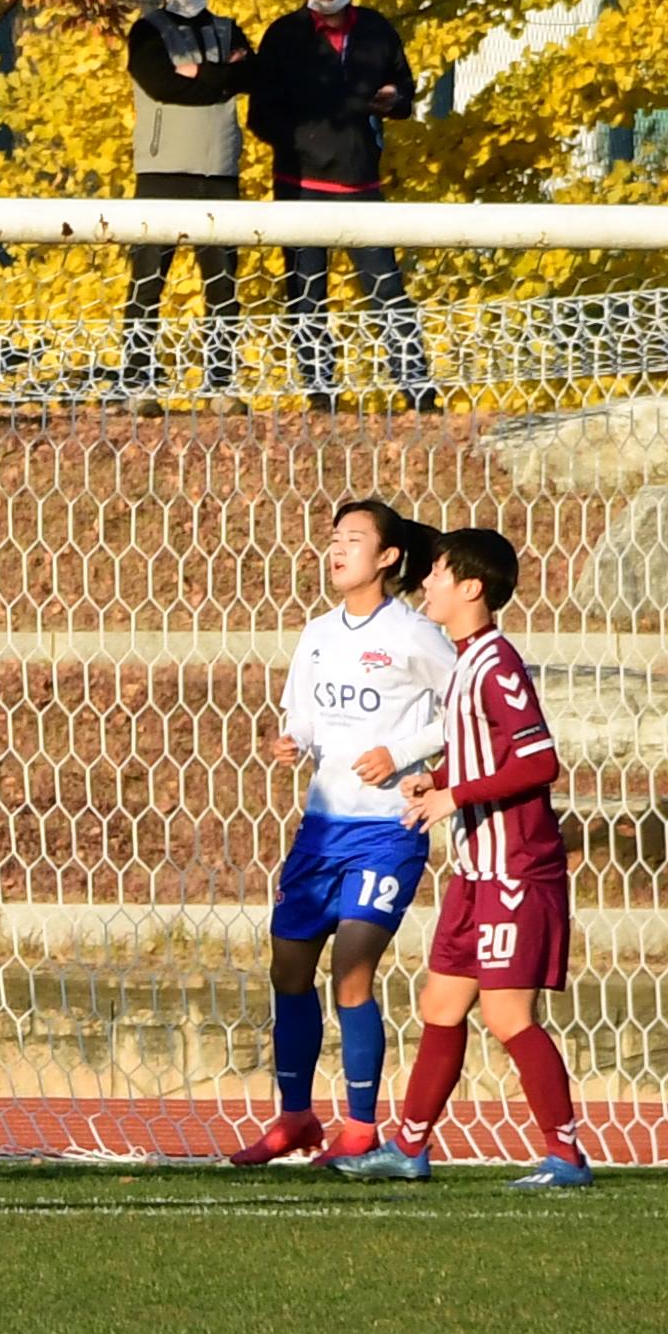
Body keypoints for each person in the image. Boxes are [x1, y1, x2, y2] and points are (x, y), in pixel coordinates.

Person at [337, 525, 591, 1187]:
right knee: (441, 1007)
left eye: (440, 574)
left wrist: (455, 798)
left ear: (471, 587)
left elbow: (539, 760)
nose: (428, 583)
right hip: (476, 871)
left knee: (508, 1017)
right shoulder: (467, 661)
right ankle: (409, 1149)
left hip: (515, 868)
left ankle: (565, 1156)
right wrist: (441, 780)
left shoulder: (496, 663)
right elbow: (488, 754)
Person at [250, 499, 447, 1164]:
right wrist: (292, 740)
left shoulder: (417, 634)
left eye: (354, 540)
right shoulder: (318, 634)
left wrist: (403, 752)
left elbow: (467, 710)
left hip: (386, 831)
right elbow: (304, 716)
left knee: (352, 971)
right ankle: (296, 1118)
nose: (337, 550)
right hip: (321, 829)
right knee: (289, 967)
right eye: (334, 538)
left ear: (388, 557)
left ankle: (361, 1126)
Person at [240, 0, 431, 409]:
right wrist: (303, 144)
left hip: (362, 184)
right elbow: (260, 116)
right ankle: (320, 396)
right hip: (300, 187)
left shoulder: (377, 30)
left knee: (388, 289)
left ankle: (419, 393)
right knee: (306, 295)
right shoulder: (283, 36)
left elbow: (403, 89)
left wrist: (395, 101)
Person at [117, 0, 256, 398]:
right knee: (148, 281)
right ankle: (138, 382)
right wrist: (221, 80)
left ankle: (220, 382)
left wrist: (205, 75)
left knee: (221, 284)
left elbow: (251, 76)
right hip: (162, 171)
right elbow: (161, 85)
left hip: (219, 171)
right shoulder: (147, 30)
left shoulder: (229, 29)